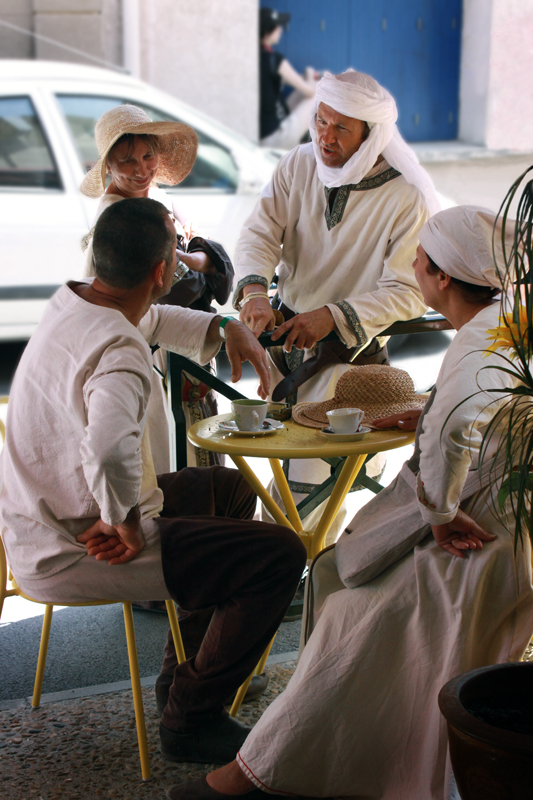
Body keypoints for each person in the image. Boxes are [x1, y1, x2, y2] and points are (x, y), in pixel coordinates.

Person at [169, 206, 533, 800]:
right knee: (337, 575)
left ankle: (263, 774)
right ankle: (323, 762)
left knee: (347, 610)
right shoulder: (508, 320)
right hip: (507, 532)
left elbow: (457, 427)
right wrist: (431, 409)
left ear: (442, 278)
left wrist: (439, 516)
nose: (411, 265)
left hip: (476, 544)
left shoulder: (479, 344)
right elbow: (479, 413)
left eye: (418, 259)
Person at [0, 198, 307, 764]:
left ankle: (181, 681)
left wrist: (225, 323)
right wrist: (128, 523)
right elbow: (109, 449)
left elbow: (154, 318)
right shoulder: (118, 349)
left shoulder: (75, 303)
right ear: (163, 272)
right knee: (281, 555)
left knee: (235, 493)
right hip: (78, 542)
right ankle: (191, 719)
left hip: (44, 519)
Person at [235, 68, 440, 542]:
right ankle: (288, 572)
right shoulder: (297, 165)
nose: (325, 137)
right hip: (284, 349)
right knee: (280, 469)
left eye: (341, 128)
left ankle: (289, 574)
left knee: (311, 482)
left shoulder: (405, 197)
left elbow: (409, 290)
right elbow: (260, 233)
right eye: (321, 121)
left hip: (347, 362)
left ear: (370, 136)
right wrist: (255, 293)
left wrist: (332, 316)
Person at [81, 103, 234, 472]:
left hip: (185, 343)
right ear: (109, 168)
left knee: (198, 442)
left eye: (148, 156)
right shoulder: (113, 218)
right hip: (151, 349)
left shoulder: (156, 200)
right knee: (168, 449)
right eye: (127, 162)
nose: (141, 170)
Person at [259, 7, 319, 149]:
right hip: (276, 138)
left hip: (263, 133)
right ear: (268, 33)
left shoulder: (258, 57)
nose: (281, 29)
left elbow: (294, 80)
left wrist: (305, 77)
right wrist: (310, 72)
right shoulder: (275, 60)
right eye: (277, 26)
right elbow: (309, 91)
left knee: (301, 90)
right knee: (318, 92)